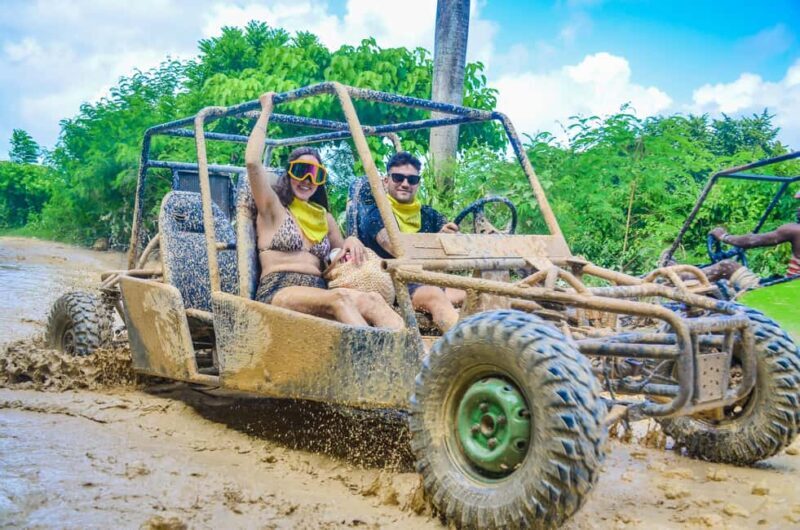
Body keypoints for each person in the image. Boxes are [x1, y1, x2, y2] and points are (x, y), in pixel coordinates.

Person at [245, 93, 403, 329]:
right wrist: (266, 109)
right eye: (301, 171)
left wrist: (351, 239)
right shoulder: (274, 209)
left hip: (320, 290)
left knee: (373, 299)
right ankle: (373, 357)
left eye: (316, 174)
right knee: (339, 300)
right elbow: (252, 163)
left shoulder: (324, 217)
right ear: (289, 174)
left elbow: (339, 250)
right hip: (280, 290)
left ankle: (419, 357)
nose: (308, 180)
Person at [358, 152, 464, 332]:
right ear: (386, 181)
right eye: (398, 177)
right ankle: (470, 352)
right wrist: (437, 241)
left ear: (417, 184)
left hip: (429, 281)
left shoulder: (429, 215)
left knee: (479, 292)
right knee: (434, 295)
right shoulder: (376, 214)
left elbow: (455, 245)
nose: (405, 184)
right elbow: (397, 249)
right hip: (394, 285)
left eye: (412, 179)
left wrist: (452, 236)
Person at [705, 189, 800, 288]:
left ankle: (688, 281)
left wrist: (723, 236)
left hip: (787, 290)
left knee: (726, 266)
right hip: (792, 290)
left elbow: (750, 241)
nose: (798, 209)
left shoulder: (794, 230)